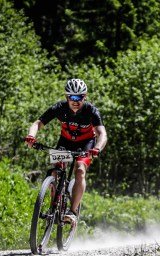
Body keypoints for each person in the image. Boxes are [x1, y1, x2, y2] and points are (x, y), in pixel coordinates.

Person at [25, 78, 107, 224]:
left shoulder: (91, 111)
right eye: (72, 97)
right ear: (66, 97)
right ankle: (54, 205)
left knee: (80, 170)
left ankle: (73, 211)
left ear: (85, 96)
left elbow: (102, 134)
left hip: (86, 144)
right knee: (55, 171)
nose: (76, 101)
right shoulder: (59, 108)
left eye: (79, 97)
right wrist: (31, 136)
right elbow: (38, 123)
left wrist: (97, 148)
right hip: (65, 142)